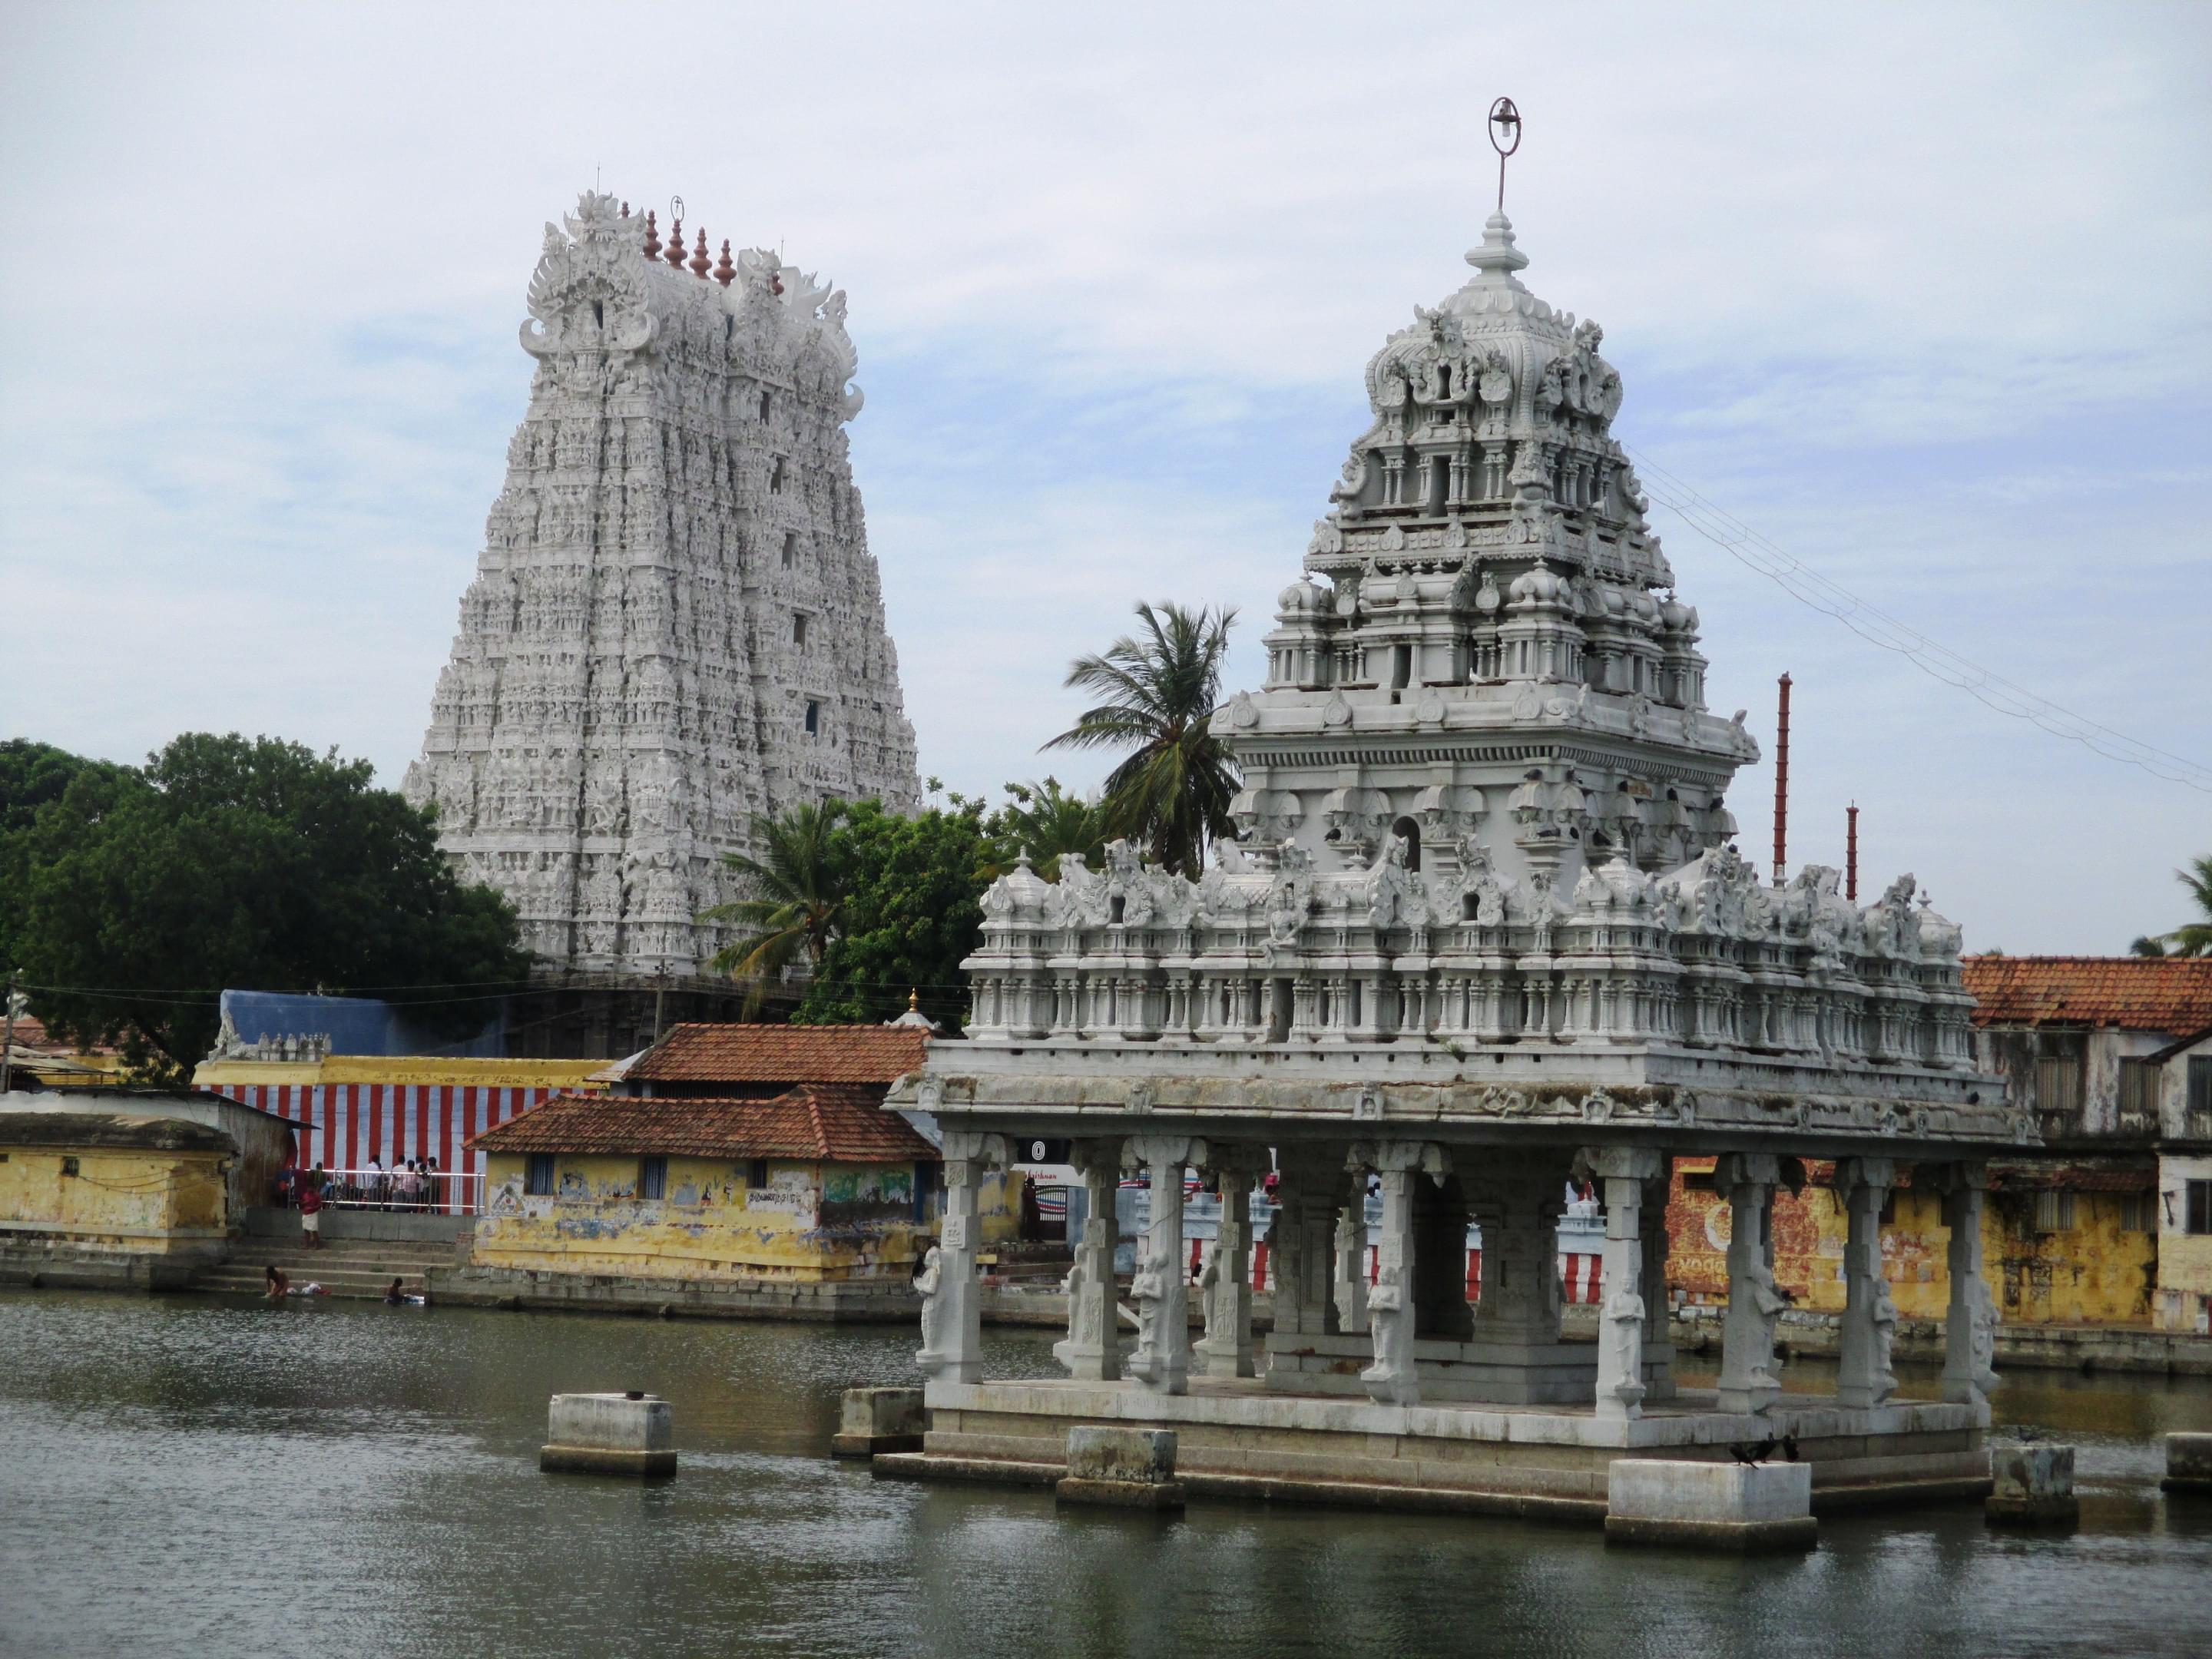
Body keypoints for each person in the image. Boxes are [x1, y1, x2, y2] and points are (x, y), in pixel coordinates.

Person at [298, 1176, 325, 1249]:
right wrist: (304, 1203)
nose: (310, 1189)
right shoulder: (305, 1195)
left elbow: (320, 1205)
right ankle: (306, 1244)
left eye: (311, 1187)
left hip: (313, 1214)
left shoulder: (317, 1195)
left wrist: (312, 1208)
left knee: (314, 1230)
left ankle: (317, 1245)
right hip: (305, 1214)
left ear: (314, 1188)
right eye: (309, 1187)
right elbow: (301, 1204)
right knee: (306, 1230)